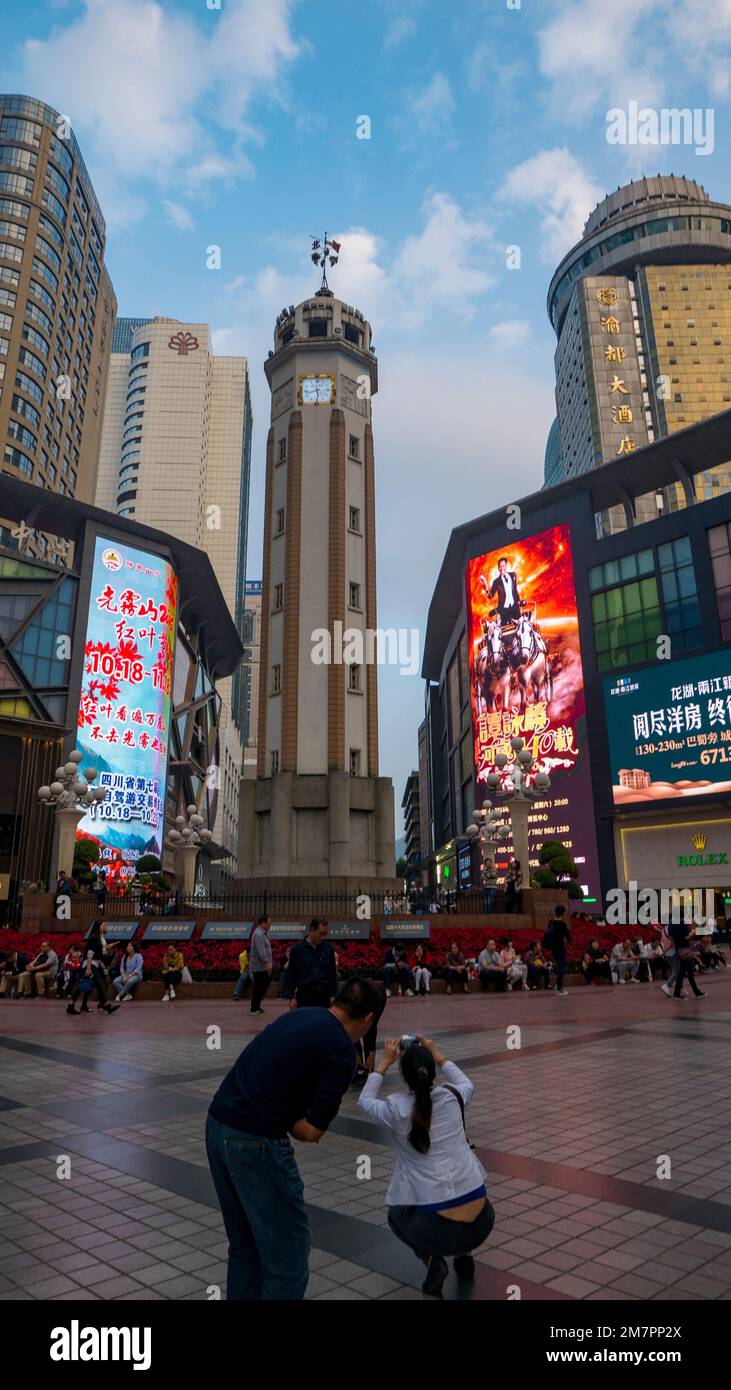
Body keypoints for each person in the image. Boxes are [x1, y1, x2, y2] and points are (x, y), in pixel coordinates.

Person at [206, 976, 381, 1300]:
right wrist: (282, 1112)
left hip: (217, 1124)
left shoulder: (300, 1015)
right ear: (368, 1019)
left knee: (245, 1247)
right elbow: (311, 1131)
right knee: (288, 1257)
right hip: (256, 1143)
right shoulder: (343, 1052)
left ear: (337, 999)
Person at [358, 1035, 494, 1297]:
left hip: (437, 1232)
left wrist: (384, 1063)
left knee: (396, 1216)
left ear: (405, 1078)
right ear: (432, 1072)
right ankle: (464, 1256)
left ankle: (433, 1261)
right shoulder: (454, 1095)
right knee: (457, 1197)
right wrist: (437, 1053)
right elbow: (467, 1082)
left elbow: (364, 1101)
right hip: (482, 1223)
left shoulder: (395, 1108)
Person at [67, 922, 118, 1015]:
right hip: (90, 964)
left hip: (94, 963)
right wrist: (89, 968)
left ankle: (71, 1005)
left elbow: (100, 953)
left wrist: (107, 948)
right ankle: (106, 1005)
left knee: (84, 985)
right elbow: (90, 953)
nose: (105, 927)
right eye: (103, 925)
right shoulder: (94, 937)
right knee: (98, 984)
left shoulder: (98, 937)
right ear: (98, 927)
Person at [286, 919, 337, 1008]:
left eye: (325, 934)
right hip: (304, 996)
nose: (323, 937)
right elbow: (291, 974)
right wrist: (291, 997)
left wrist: (333, 995)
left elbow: (332, 973)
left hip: (323, 996)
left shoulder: (328, 949)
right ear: (312, 930)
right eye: (320, 934)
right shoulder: (297, 949)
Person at [669, 921, 706, 1002]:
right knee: (683, 972)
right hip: (686, 950)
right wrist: (693, 932)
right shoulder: (682, 925)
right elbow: (687, 938)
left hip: (678, 949)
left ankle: (696, 992)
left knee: (689, 972)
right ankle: (677, 993)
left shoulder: (671, 924)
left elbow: (670, 937)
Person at [488, 555, 523, 625]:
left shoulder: (513, 575)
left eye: (503, 566)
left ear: (506, 566)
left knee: (520, 626)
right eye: (500, 567)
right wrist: (487, 590)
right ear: (498, 568)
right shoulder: (496, 582)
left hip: (515, 607)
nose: (502, 568)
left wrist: (518, 601)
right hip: (504, 610)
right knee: (506, 631)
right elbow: (490, 596)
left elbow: (515, 590)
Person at [248, 916, 273, 1014]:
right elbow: (261, 951)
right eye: (268, 923)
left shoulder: (262, 934)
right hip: (259, 966)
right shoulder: (258, 934)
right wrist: (267, 963)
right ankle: (254, 1008)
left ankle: (256, 1005)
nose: (269, 925)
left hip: (262, 966)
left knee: (262, 985)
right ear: (263, 923)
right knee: (260, 986)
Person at [544, 905, 570, 995]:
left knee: (559, 966)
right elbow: (568, 937)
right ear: (563, 913)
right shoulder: (562, 924)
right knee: (561, 968)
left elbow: (547, 933)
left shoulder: (551, 922)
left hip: (553, 948)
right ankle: (559, 989)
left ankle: (558, 985)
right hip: (560, 948)